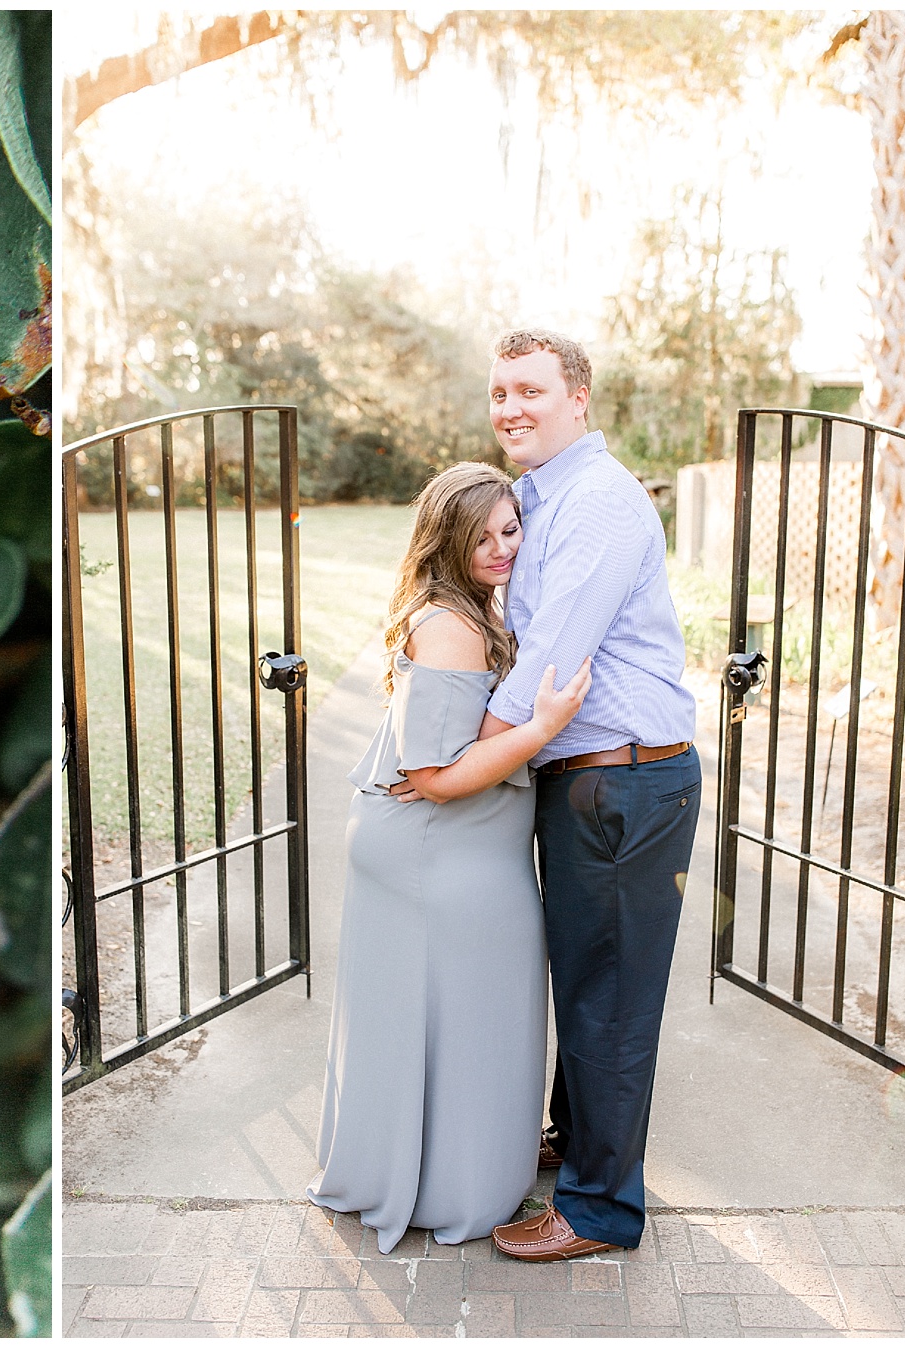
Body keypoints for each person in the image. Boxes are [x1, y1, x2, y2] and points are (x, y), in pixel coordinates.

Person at [307, 461, 592, 1254]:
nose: (502, 547)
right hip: (438, 856)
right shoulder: (451, 625)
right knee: (467, 1018)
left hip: (461, 852)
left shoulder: (475, 609)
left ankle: (442, 1168)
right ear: (447, 540)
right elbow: (432, 777)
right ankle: (447, 1188)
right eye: (484, 536)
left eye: (512, 528)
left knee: (468, 1019)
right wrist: (545, 726)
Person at [479, 329, 701, 1262]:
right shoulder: (543, 498)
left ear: (579, 397)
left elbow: (553, 654)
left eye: (529, 389)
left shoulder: (599, 501)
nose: (510, 408)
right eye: (498, 393)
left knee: (610, 997)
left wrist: (457, 771)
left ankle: (601, 1210)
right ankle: (579, 1147)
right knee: (588, 981)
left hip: (624, 785)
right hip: (591, 782)